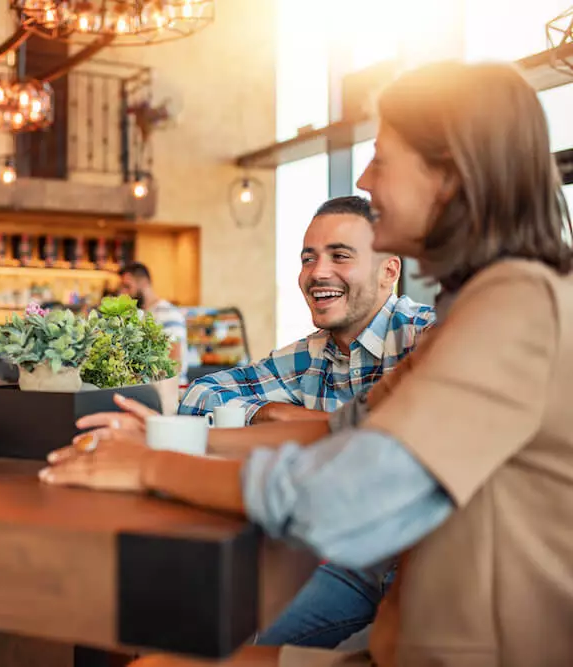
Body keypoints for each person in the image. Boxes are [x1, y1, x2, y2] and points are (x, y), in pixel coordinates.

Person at [42, 60, 573, 666]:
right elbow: (349, 428)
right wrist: (177, 443)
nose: (367, 179)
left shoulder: (517, 306)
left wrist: (150, 466)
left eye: (383, 158)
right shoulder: (478, 304)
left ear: (450, 175)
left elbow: (334, 498)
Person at [180, 196, 434, 426]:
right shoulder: (310, 357)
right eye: (308, 260)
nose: (317, 272)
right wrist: (276, 413)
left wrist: (324, 425)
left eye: (340, 256)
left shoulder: (429, 337)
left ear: (388, 272)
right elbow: (198, 396)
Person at [118, 262, 188, 382]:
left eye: (127, 286)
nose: (123, 293)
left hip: (167, 391)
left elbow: (174, 363)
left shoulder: (168, 313)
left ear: (144, 283)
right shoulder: (140, 314)